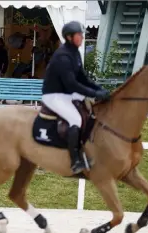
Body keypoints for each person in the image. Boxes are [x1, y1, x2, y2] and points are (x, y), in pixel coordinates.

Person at [41, 21, 110, 174]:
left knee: (90, 112)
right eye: (80, 35)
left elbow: (83, 79)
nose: (83, 38)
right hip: (54, 95)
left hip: (66, 93)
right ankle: (75, 160)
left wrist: (100, 89)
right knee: (76, 119)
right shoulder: (63, 56)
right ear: (70, 37)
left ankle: (85, 149)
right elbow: (72, 84)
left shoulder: (75, 53)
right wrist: (94, 94)